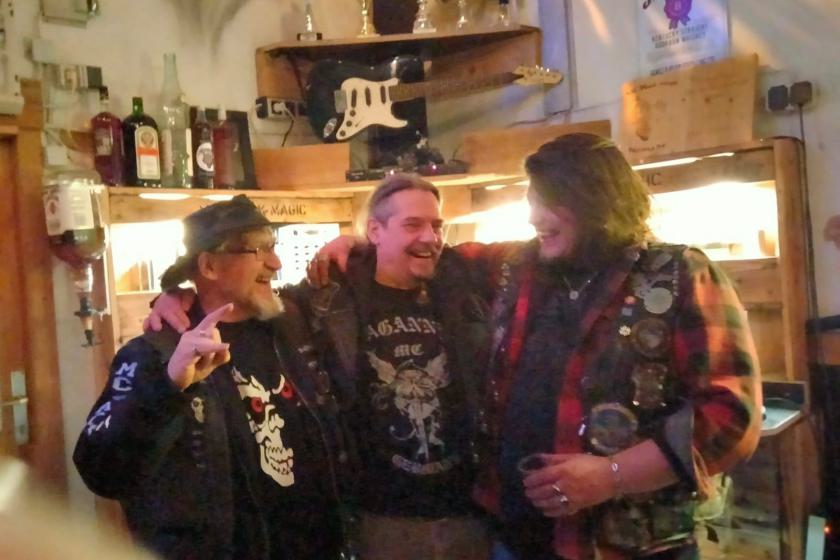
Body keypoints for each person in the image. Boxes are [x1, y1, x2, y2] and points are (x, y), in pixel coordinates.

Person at [310, 134, 763, 560]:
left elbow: (731, 415)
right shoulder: (520, 264)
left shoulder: (679, 275)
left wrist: (612, 476)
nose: (533, 218)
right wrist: (358, 243)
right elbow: (421, 252)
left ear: (592, 199)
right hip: (512, 533)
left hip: (623, 545)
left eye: (543, 202)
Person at [145, 175, 493, 560]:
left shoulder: (467, 285)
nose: (429, 236)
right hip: (380, 519)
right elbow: (242, 299)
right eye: (412, 224)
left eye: (437, 225)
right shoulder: (327, 299)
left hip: (470, 511)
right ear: (375, 231)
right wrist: (176, 299)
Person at [74, 195, 345, 560]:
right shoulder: (154, 354)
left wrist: (351, 242)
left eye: (274, 246)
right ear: (210, 266)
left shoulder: (293, 327)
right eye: (258, 250)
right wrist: (168, 387)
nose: (276, 263)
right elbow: (101, 471)